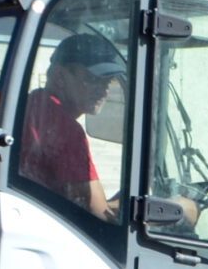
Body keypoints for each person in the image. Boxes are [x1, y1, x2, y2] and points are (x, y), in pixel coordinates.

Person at [16, 31, 128, 221]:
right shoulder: (67, 130)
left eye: (107, 81)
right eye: (93, 79)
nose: (104, 90)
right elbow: (96, 215)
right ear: (60, 76)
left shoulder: (31, 105)